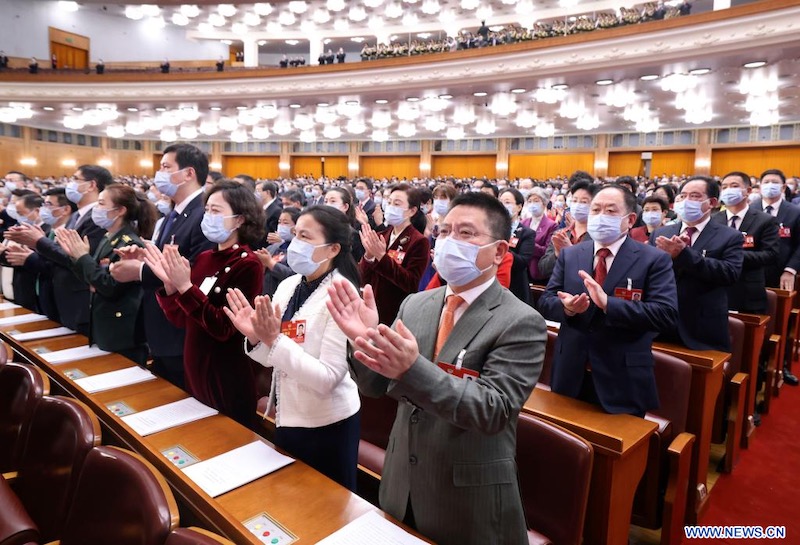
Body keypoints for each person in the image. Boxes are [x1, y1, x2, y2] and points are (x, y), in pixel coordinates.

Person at [327, 191, 544, 544]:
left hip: (466, 494)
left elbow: (492, 410)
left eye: (466, 233)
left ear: (500, 251)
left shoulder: (520, 321)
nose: (449, 242)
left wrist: (412, 368)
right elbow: (374, 386)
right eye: (444, 232)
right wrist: (363, 339)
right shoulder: (417, 304)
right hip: (403, 479)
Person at [226, 206, 362, 490]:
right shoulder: (289, 284)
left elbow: (328, 378)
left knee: (325, 506)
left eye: (306, 237)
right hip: (288, 412)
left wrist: (273, 341)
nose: (295, 242)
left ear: (333, 249)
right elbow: (274, 356)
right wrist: (255, 337)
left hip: (327, 422)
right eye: (295, 233)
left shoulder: (343, 294)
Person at [539, 185, 678, 416]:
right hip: (570, 371)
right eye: (595, 210)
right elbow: (545, 301)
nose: (600, 217)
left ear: (630, 219)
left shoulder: (654, 259)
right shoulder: (571, 254)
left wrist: (608, 304)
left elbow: (666, 314)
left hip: (622, 378)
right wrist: (567, 308)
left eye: (611, 211)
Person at [146, 181, 265, 426]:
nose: (208, 216)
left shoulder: (248, 263)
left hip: (225, 369)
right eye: (207, 210)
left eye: (216, 211)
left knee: (224, 435)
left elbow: (224, 327)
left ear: (240, 219)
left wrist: (185, 288)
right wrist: (171, 286)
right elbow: (181, 319)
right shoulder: (204, 257)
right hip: (195, 362)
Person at [110, 144, 216, 389]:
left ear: (189, 173)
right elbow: (164, 259)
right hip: (160, 326)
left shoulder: (203, 214)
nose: (160, 173)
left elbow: (195, 269)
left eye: (166, 167)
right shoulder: (172, 214)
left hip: (180, 330)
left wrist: (139, 271)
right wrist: (143, 256)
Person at [56, 184, 156, 365]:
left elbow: (110, 287)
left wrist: (83, 258)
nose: (96, 209)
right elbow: (93, 279)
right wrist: (76, 257)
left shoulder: (129, 244)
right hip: (104, 324)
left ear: (120, 211)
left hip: (121, 331)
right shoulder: (108, 237)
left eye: (101, 204)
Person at [5, 165, 109, 335]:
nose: (71, 183)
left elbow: (77, 258)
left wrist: (40, 242)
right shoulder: (77, 215)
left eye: (76, 179)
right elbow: (60, 253)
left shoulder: (96, 219)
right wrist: (38, 243)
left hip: (80, 298)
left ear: (91, 185)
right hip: (61, 295)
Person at [652, 176, 743, 352]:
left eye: (694, 196)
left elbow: (730, 273)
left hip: (702, 329)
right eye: (682, 196)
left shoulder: (730, 236)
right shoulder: (661, 233)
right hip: (661, 324)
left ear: (712, 202)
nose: (686, 201)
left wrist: (684, 255)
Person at [359, 183, 430, 324]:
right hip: (373, 309)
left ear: (412, 211)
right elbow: (364, 278)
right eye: (389, 202)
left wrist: (381, 257)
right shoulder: (382, 235)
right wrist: (368, 256)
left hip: (396, 312)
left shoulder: (418, 241)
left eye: (397, 204)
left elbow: (411, 283)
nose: (390, 207)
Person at [711, 171, 779, 315]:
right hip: (716, 291)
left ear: (747, 191)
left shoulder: (765, 220)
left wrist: (733, 255)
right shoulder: (714, 220)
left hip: (748, 293)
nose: (728, 190)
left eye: (734, 186)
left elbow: (771, 254)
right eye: (724, 187)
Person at [537, 180, 596, 280]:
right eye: (575, 200)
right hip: (557, 291)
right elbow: (543, 269)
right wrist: (557, 254)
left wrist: (571, 252)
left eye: (584, 202)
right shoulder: (560, 233)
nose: (578, 205)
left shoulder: (598, 237)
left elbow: (596, 272)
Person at [498, 188, 535, 304]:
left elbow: (523, 261)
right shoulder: (491, 230)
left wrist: (501, 250)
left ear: (519, 207)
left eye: (507, 202)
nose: (503, 206)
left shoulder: (526, 233)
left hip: (516, 286)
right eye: (501, 202)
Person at [257, 207, 300, 297]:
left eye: (286, 223)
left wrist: (270, 263)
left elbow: (293, 276)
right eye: (279, 222)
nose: (281, 226)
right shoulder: (273, 247)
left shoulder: (299, 251)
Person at [521, 187, 557, 284]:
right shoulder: (523, 223)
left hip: (538, 271)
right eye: (530, 201)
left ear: (544, 203)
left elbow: (547, 251)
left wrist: (528, 244)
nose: (532, 204)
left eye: (536, 201)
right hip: (522, 270)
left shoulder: (552, 225)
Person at [323, 187, 365, 261]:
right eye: (326, 201)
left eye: (333, 201)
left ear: (345, 207)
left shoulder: (352, 235)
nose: (328, 205)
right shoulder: (321, 228)